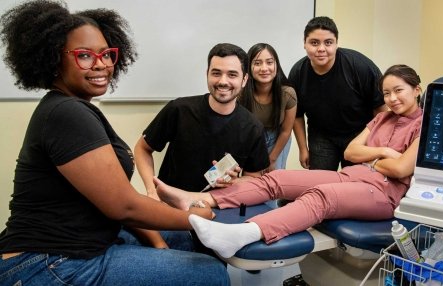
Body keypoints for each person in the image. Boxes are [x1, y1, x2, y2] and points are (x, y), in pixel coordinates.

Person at [0, 1, 228, 285]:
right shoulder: (66, 113)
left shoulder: (76, 108)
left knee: (185, 241)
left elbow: (116, 201)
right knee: (209, 272)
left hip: (79, 245)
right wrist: (197, 216)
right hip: (47, 263)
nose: (101, 64)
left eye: (107, 54)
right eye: (84, 55)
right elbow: (124, 206)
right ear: (53, 59)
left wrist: (160, 245)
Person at [154, 64, 423, 259]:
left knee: (321, 196)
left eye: (398, 91)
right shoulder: (381, 118)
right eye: (386, 94)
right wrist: (385, 154)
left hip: (386, 194)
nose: (391, 99)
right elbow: (351, 152)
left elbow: (401, 170)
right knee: (278, 178)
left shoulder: (425, 125)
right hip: (353, 175)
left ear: (417, 90)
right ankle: (194, 198)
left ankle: (242, 234)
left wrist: (373, 158)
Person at [134, 43, 269, 199]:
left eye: (232, 75)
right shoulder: (179, 109)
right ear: (207, 74)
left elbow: (254, 177)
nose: (223, 81)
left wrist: (234, 183)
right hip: (169, 205)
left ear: (244, 79)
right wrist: (152, 191)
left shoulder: (253, 127)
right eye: (216, 73)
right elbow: (142, 149)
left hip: (217, 209)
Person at [289, 16, 388, 171]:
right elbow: (297, 115)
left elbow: (381, 109)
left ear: (336, 43)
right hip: (321, 135)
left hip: (359, 134)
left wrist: (375, 146)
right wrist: (303, 148)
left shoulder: (360, 66)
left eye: (328, 42)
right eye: (314, 42)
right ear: (304, 43)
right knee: (320, 185)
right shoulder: (297, 72)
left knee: (355, 187)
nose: (321, 49)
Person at [239, 43, 297, 172]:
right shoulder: (240, 94)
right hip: (251, 139)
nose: (264, 68)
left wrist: (272, 159)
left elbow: (286, 131)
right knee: (251, 181)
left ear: (276, 65)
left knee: (274, 181)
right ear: (249, 67)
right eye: (258, 63)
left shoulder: (288, 94)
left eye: (269, 62)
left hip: (278, 138)